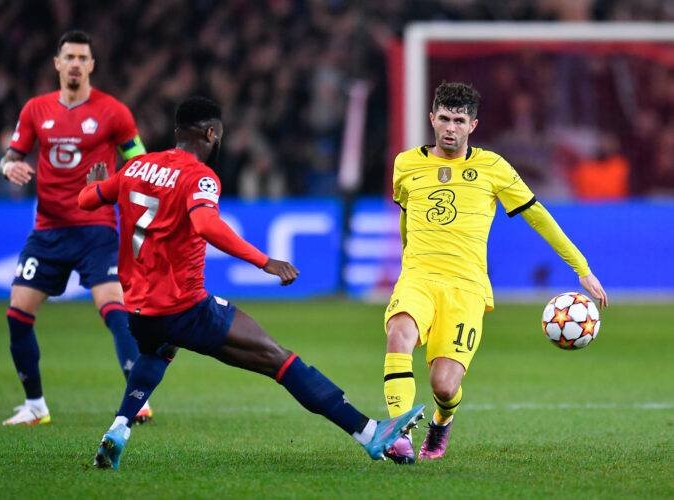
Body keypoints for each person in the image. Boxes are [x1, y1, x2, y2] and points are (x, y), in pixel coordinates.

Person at [77, 96, 425, 470]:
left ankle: (118, 428)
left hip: (139, 309)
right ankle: (370, 433)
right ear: (211, 134)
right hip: (186, 308)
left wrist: (94, 185)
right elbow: (206, 225)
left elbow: (86, 199)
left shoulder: (136, 167)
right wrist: (265, 262)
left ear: (177, 131)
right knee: (279, 359)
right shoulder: (200, 177)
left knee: (156, 353)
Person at [381, 82, 609, 464]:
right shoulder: (406, 164)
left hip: (466, 288)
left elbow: (538, 216)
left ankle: (442, 419)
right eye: (444, 119)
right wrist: (406, 259)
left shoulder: (493, 167)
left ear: (473, 125)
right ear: (432, 118)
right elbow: (407, 215)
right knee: (399, 334)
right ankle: (397, 433)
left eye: (459, 121)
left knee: (444, 385)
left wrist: (581, 268)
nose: (450, 128)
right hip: (418, 277)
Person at [0, 30, 151, 426]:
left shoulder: (113, 112)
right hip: (48, 230)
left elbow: (140, 162)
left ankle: (138, 400)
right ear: (57, 63)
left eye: (83, 58)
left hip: (95, 228)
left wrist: (115, 186)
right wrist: (8, 166)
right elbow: (10, 156)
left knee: (115, 310)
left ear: (91, 65)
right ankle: (36, 406)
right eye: (69, 57)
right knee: (17, 314)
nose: (76, 64)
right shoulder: (36, 110)